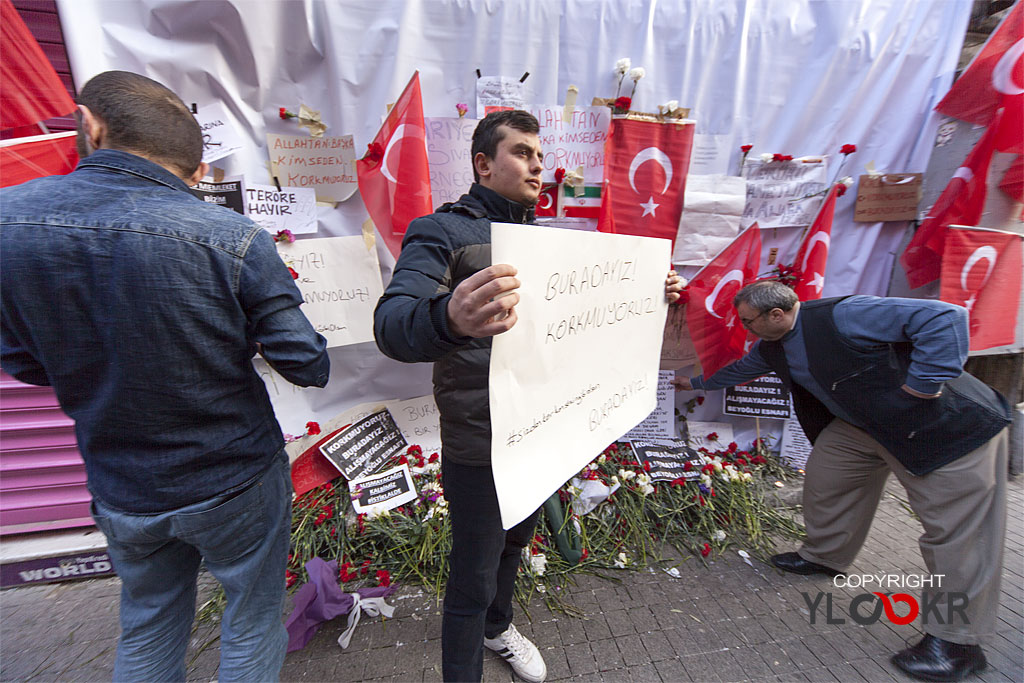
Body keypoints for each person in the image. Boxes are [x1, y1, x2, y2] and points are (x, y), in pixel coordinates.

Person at [1, 71, 329, 682]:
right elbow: (308, 362)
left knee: (149, 621)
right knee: (252, 620)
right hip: (235, 476)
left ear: (89, 126)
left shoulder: (8, 221)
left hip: (123, 482)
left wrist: (96, 361)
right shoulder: (234, 238)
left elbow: (19, 358)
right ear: (198, 171)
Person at [374, 109, 682, 682]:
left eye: (540, 155)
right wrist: (449, 316)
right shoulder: (441, 232)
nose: (537, 165)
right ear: (483, 164)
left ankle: (498, 627)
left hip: (544, 434)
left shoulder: (547, 244)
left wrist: (651, 293)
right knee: (471, 576)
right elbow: (392, 326)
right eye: (521, 152)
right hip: (482, 443)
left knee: (514, 546)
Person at [673, 280, 1010, 683]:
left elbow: (944, 316)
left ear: (775, 315)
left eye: (748, 321)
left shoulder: (844, 315)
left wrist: (923, 384)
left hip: (946, 429)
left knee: (959, 535)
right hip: (866, 426)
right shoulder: (772, 345)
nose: (744, 328)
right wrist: (693, 384)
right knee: (827, 477)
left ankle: (957, 643)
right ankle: (825, 555)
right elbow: (742, 369)